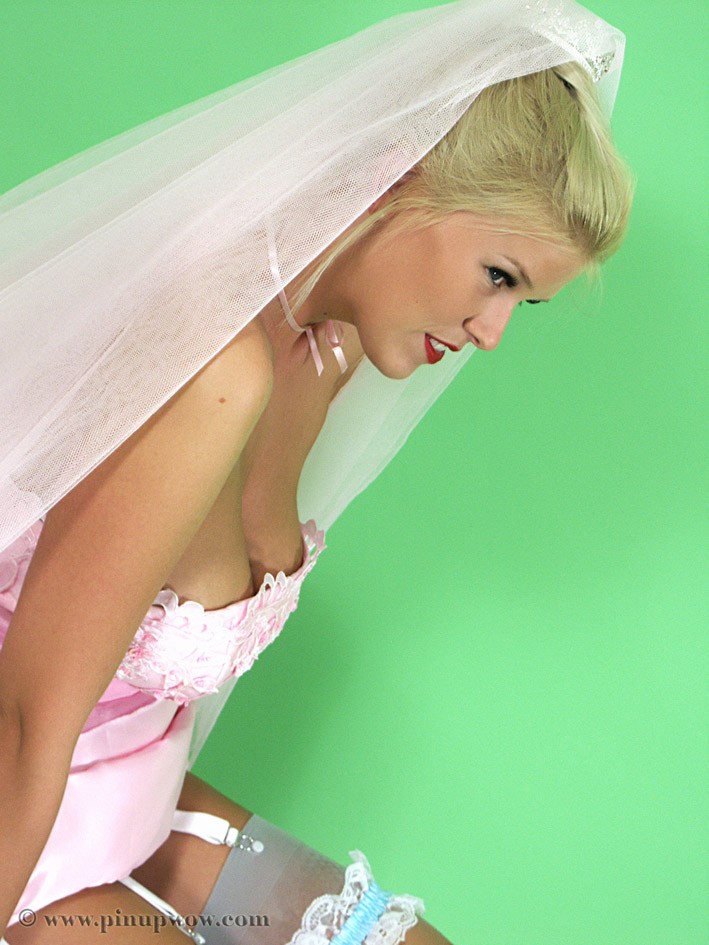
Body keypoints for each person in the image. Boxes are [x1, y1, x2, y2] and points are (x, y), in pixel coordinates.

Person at [0, 0, 633, 941]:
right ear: (394, 177)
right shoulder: (210, 367)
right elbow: (26, 723)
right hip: (31, 797)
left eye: (522, 303)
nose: (491, 333)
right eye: (497, 275)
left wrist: (292, 433)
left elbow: (229, 561)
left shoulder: (312, 349)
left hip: (126, 783)